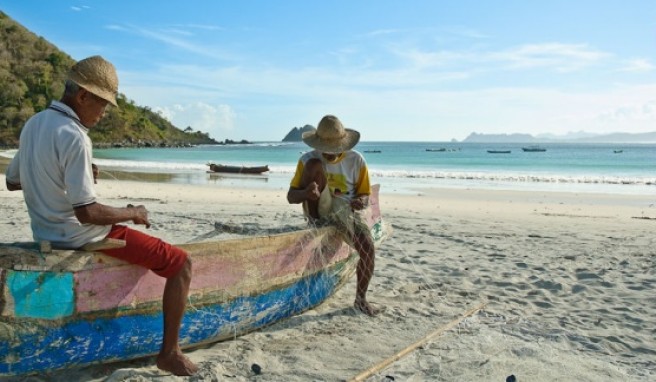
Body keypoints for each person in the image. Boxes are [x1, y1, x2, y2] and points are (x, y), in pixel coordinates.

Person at [5, 56, 198, 376]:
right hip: (81, 235)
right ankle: (169, 352)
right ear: (82, 96)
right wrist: (132, 212)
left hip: (45, 234)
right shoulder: (74, 134)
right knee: (181, 264)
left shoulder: (35, 123)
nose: (104, 113)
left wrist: (63, 173)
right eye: (103, 104)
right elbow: (88, 213)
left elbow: (13, 181)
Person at [287, 115, 381, 316]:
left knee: (368, 247)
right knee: (314, 165)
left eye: (334, 150)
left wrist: (361, 202)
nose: (329, 155)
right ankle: (317, 225)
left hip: (345, 210)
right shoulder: (307, 160)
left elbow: (364, 194)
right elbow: (291, 196)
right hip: (318, 209)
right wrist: (306, 193)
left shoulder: (356, 160)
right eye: (326, 150)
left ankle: (360, 299)